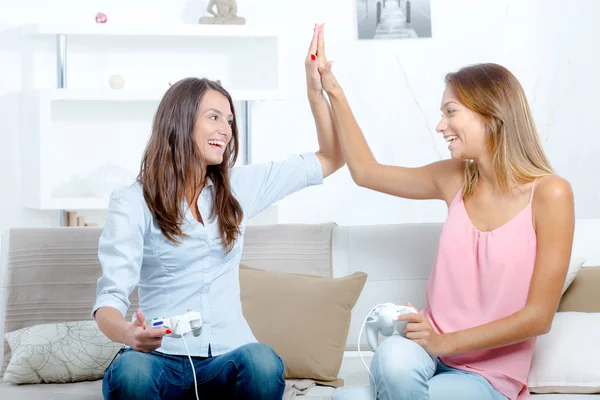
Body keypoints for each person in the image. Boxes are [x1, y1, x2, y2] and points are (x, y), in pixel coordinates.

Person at [314, 27, 575, 400]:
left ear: (492, 114)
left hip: (488, 374)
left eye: (451, 112)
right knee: (390, 360)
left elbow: (538, 317)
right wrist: (332, 89)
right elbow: (366, 173)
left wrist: (444, 341)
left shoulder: (550, 193)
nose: (440, 126)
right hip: (428, 350)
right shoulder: (454, 179)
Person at [92, 23, 342, 400]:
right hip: (161, 358)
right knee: (131, 372)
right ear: (179, 121)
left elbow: (332, 157)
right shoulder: (133, 201)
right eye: (213, 117)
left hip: (227, 355)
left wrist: (315, 88)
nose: (225, 130)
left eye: (229, 120)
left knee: (263, 362)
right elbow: (109, 301)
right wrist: (130, 334)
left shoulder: (238, 188)